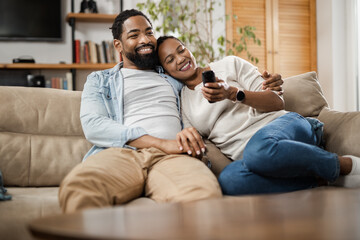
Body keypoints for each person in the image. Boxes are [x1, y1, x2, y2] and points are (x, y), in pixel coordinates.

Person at [58, 9, 284, 213]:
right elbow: (94, 125)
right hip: (123, 153)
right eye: (134, 35)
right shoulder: (101, 80)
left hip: (173, 158)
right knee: (80, 188)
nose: (145, 40)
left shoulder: (173, 75)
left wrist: (269, 83)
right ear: (118, 45)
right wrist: (161, 142)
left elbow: (207, 77)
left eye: (149, 32)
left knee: (202, 197)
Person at [156, 35, 360, 195]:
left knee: (259, 150)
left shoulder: (229, 64)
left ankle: (344, 165)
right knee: (229, 180)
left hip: (286, 128)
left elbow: (276, 101)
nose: (181, 58)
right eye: (170, 59)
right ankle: (320, 179)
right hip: (256, 159)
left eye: (181, 49)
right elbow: (195, 140)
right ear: (164, 70)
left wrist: (234, 93)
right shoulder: (183, 103)